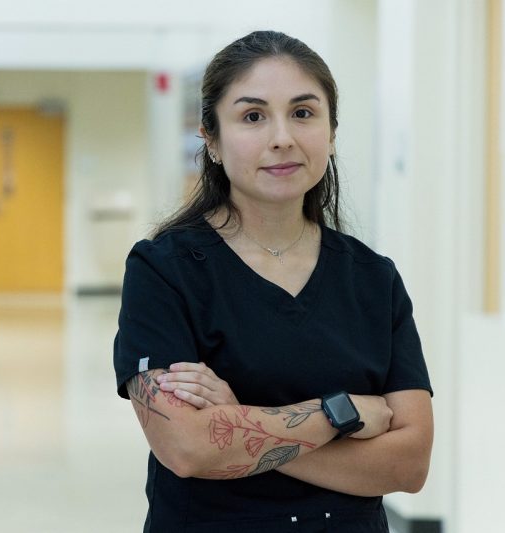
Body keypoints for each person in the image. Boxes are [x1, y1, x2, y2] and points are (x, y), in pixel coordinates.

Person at [113, 30, 433, 533]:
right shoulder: (164, 270)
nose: (282, 137)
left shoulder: (374, 278)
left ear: (330, 133)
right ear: (212, 140)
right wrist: (338, 415)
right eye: (253, 116)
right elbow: (188, 447)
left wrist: (237, 419)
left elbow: (409, 464)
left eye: (303, 113)